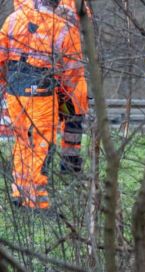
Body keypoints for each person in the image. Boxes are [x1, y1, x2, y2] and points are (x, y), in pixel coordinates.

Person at [0, 0, 85, 208]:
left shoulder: (14, 19)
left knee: (22, 141)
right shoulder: (63, 27)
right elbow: (72, 73)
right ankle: (36, 202)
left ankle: (19, 193)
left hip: (14, 91)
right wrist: (69, 98)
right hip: (43, 92)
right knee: (41, 144)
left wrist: (6, 83)